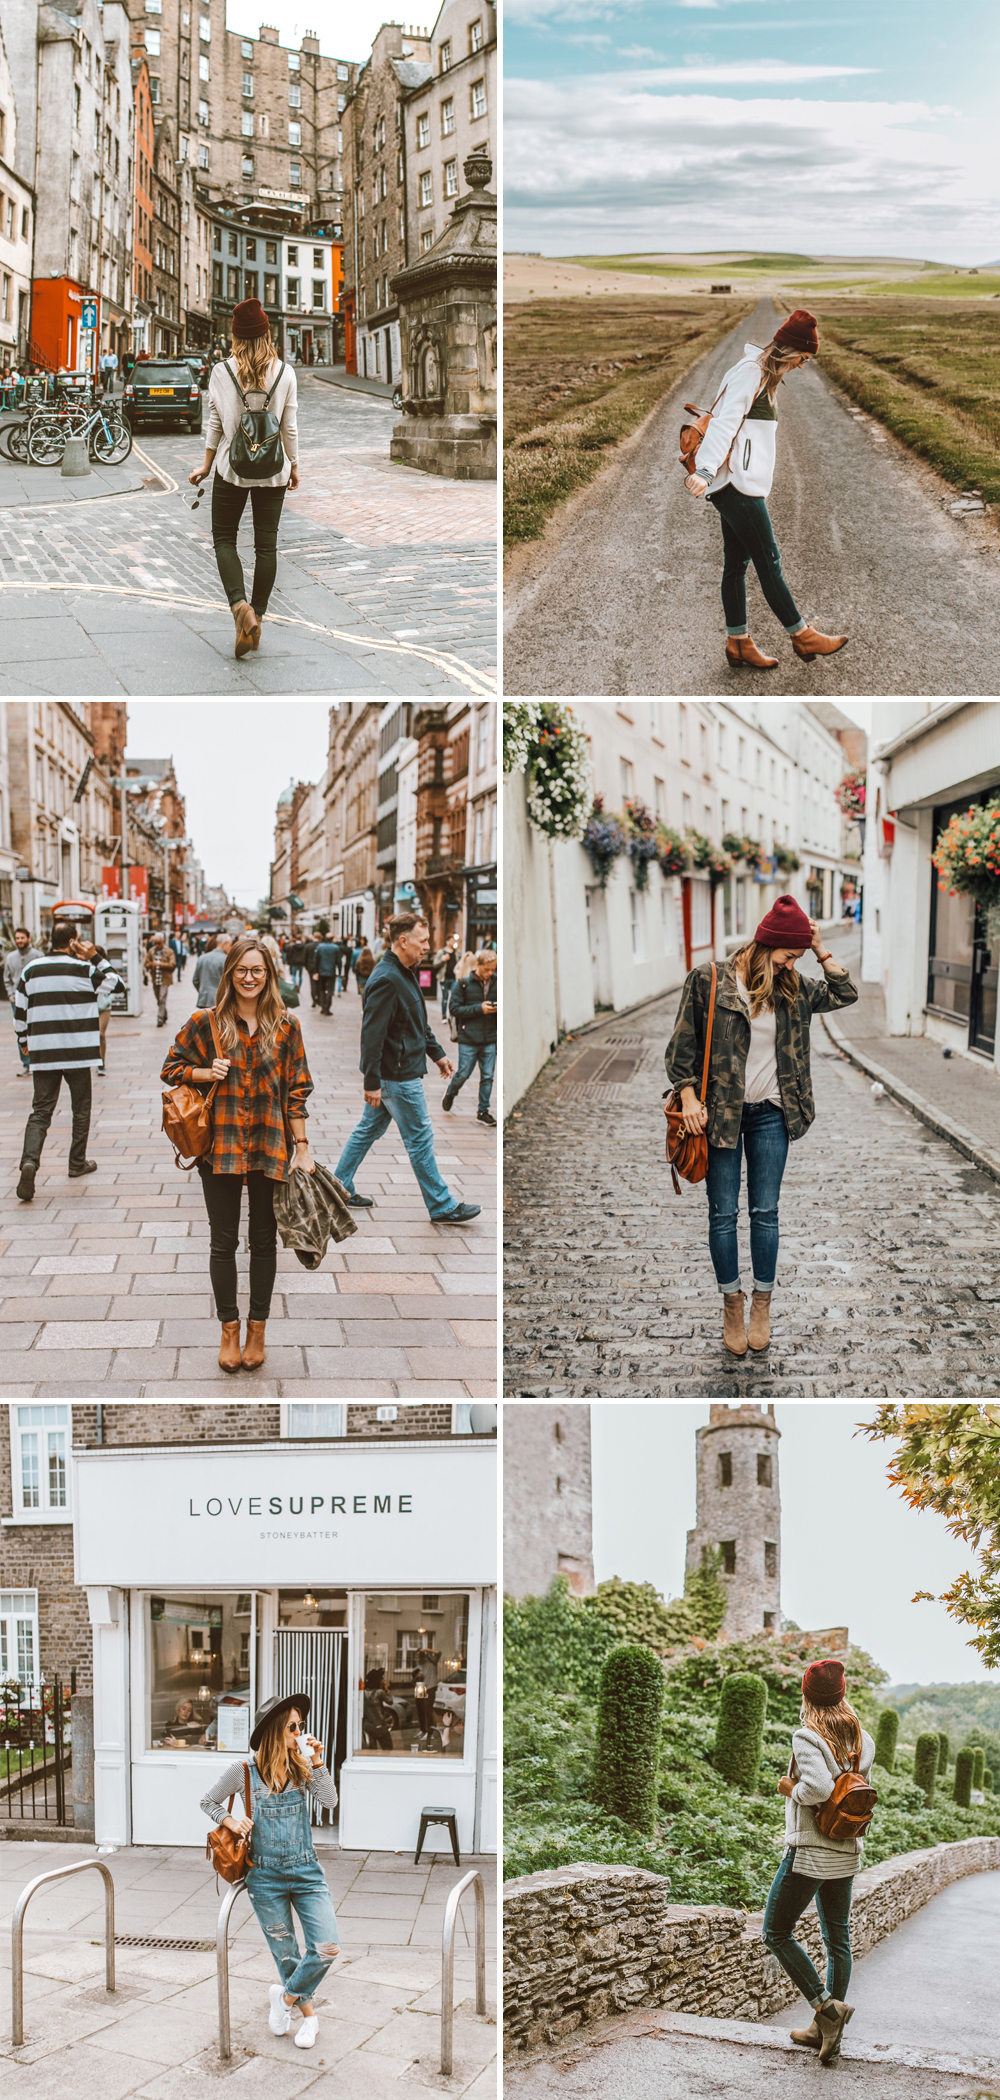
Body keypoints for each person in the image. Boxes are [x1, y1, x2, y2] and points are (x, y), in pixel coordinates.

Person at [664, 896, 858, 1357]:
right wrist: (689, 1095)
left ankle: (762, 1303)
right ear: (765, 944)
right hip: (721, 1114)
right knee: (722, 1214)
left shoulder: (793, 987)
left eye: (797, 957)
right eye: (788, 955)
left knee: (765, 1213)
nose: (792, 963)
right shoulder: (709, 981)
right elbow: (680, 1049)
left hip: (773, 1111)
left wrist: (820, 949)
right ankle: (732, 1301)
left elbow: (844, 994)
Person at [161, 935, 314, 1372]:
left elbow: (297, 1090)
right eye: (242, 971)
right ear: (230, 974)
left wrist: (301, 1147)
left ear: (269, 976)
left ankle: (257, 1329)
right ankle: (228, 1328)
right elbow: (170, 1067)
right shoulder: (206, 1023)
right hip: (221, 1147)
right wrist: (205, 1071)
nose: (250, 978)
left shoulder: (287, 1025)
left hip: (270, 1145)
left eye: (258, 971)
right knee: (223, 1241)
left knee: (264, 1243)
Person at [686, 311, 848, 670]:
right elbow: (723, 422)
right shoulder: (752, 373)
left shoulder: (762, 374)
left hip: (737, 482)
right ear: (790, 351)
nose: (803, 366)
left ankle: (738, 642)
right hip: (736, 485)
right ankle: (802, 636)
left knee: (736, 565)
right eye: (803, 358)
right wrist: (706, 470)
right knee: (768, 560)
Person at [201, 1695, 339, 2053]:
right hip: (264, 1877)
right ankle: (310, 2018)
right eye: (292, 1727)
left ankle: (286, 1999)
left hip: (306, 1871)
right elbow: (208, 1801)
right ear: (275, 1732)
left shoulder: (301, 1768)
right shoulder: (244, 1771)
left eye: (300, 1726)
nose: (299, 1733)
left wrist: (319, 1761)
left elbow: (330, 1801)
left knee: (326, 1948)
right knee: (288, 1956)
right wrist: (232, 1820)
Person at [333, 910, 480, 1225]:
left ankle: (339, 1187)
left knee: (366, 1130)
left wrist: (437, 1053)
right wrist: (371, 1081)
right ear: (403, 940)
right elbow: (371, 1036)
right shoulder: (387, 978)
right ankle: (441, 1205)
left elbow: (417, 1021)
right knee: (420, 1138)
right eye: (423, 940)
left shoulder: (405, 971)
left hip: (398, 1071)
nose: (427, 946)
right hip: (397, 1076)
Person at [763, 1659, 876, 2066]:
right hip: (846, 1850)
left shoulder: (807, 1736)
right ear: (842, 1693)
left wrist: (789, 1787)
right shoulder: (861, 1737)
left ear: (807, 1695)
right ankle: (825, 2029)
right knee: (838, 1941)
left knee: (775, 1932)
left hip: (810, 1851)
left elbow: (816, 1788)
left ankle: (826, 2010)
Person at [189, 297, 300, 659]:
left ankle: (241, 609)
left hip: (231, 468)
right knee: (266, 546)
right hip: (273, 471)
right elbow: (289, 428)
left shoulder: (221, 372)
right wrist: (293, 465)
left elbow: (216, 424)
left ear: (235, 336)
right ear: (267, 334)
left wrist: (206, 466)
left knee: (224, 538)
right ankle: (259, 617)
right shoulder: (285, 372)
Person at [14, 926, 122, 1202]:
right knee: (80, 1108)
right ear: (73, 942)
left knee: (40, 1111)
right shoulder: (84, 969)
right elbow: (117, 984)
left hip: (44, 1052)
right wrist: (95, 955)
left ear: (50, 940)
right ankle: (76, 1163)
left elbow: (19, 1009)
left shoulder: (31, 969)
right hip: (78, 1053)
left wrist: (22, 1039)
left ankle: (29, 1162)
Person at [444, 948, 497, 1124]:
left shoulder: (498, 983)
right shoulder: (464, 984)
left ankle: (483, 1111)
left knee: (488, 1076)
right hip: (468, 1037)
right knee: (464, 1072)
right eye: (487, 969)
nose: (490, 973)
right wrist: (479, 1009)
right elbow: (454, 1009)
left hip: (490, 1037)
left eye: (493, 969)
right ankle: (451, 1092)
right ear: (478, 965)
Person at [5, 928, 42, 1075]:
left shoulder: (38, 956)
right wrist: (10, 995)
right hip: (17, 999)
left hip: (35, 999)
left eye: (22, 938)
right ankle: (26, 1064)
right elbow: (6, 978)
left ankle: (37, 1061)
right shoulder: (10, 957)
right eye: (17, 938)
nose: (19, 941)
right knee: (20, 1029)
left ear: (29, 938)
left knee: (36, 1028)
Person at [144, 929, 176, 1027]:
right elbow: (146, 963)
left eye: (159, 943)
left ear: (163, 942)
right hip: (155, 979)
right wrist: (150, 965)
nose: (157, 945)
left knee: (162, 998)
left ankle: (160, 1019)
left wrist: (159, 964)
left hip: (165, 979)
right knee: (158, 999)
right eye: (155, 943)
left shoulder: (168, 952)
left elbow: (172, 965)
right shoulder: (151, 951)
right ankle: (164, 1014)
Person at [191, 931, 232, 1007]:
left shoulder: (202, 958)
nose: (231, 948)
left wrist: (203, 990)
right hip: (220, 1000)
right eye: (230, 945)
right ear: (224, 944)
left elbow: (195, 980)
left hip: (204, 998)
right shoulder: (226, 960)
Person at [93, 943, 115, 1074]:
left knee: (100, 1034)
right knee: (91, 1036)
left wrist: (108, 1000)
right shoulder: (86, 968)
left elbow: (116, 986)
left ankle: (101, 1063)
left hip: (104, 1007)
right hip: (89, 1008)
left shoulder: (107, 969)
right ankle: (94, 1060)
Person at [362, 1669, 396, 1751]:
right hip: (380, 1726)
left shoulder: (362, 1693)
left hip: (367, 1726)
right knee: (388, 1749)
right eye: (381, 1679)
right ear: (377, 1681)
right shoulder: (379, 1692)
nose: (383, 1681)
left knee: (372, 1751)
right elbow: (390, 1701)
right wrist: (387, 1689)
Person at [313, 932, 337, 1014]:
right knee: (330, 990)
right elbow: (339, 961)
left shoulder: (320, 947)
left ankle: (323, 1006)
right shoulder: (335, 947)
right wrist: (340, 972)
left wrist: (316, 971)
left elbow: (316, 960)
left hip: (322, 972)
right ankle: (327, 1007)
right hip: (331, 972)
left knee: (322, 990)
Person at [439, 936, 459, 1021]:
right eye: (451, 941)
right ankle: (444, 1016)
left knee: (454, 997)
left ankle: (452, 1015)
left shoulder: (457, 952)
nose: (452, 942)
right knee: (445, 997)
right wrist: (443, 960)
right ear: (447, 942)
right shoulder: (441, 952)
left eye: (453, 941)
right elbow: (435, 964)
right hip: (444, 978)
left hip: (454, 978)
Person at [302, 937, 321, 1008]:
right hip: (319, 968)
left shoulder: (308, 946)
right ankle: (318, 999)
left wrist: (307, 967)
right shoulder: (320, 945)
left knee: (312, 984)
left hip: (311, 968)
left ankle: (314, 1000)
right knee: (319, 984)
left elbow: (305, 957)